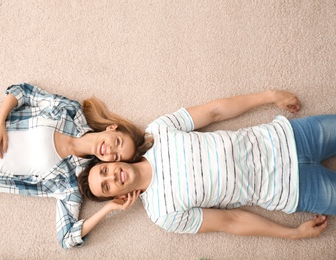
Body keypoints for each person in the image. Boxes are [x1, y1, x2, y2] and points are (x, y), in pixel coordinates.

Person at [79, 89, 333, 240]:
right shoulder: (163, 215)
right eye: (107, 187)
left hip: (288, 137)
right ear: (118, 197)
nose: (112, 177)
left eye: (104, 171)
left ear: (112, 161)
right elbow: (230, 221)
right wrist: (293, 234)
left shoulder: (157, 131)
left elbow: (215, 111)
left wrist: (269, 96)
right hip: (292, 189)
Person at [0, 83, 152, 249]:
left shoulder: (72, 183)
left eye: (116, 156)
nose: (109, 151)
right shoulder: (71, 112)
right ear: (112, 128)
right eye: (116, 142)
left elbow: (67, 237)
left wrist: (108, 208)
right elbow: (23, 92)